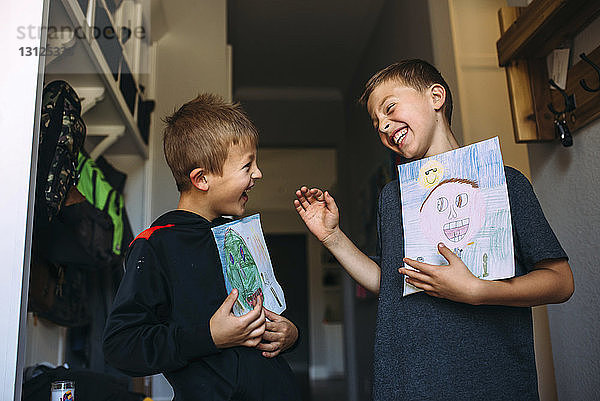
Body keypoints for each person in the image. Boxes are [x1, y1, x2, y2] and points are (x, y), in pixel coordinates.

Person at [294, 59, 574, 400]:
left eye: (390, 107)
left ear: (436, 97)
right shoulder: (391, 198)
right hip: (404, 380)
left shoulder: (504, 182)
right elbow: (393, 282)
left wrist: (478, 291)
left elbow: (560, 281)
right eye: (375, 122)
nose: (382, 125)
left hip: (490, 380)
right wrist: (332, 237)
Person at [103, 94, 301, 401]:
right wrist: (208, 337)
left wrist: (290, 336)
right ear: (201, 178)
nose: (258, 174)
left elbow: (263, 320)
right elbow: (121, 346)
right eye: (247, 166)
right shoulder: (155, 245)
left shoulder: (237, 236)